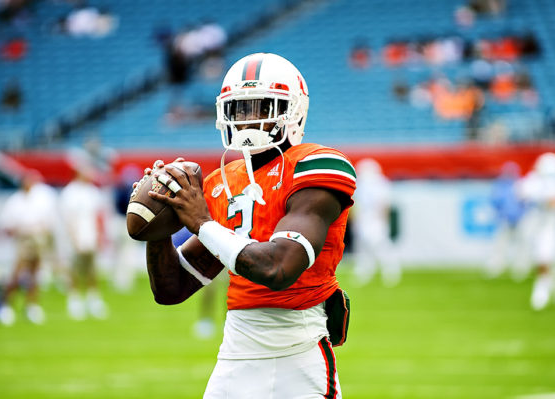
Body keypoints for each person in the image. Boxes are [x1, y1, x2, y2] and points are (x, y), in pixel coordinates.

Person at [141, 53, 355, 398]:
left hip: (298, 350)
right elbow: (171, 289)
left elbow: (279, 267)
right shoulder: (222, 181)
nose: (248, 119)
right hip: (237, 351)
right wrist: (160, 221)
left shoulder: (316, 164)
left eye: (262, 106)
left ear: (294, 110)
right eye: (240, 109)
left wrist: (202, 223)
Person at [0, 170, 51, 325]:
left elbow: (47, 220)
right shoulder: (15, 201)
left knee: (35, 274)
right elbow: (7, 224)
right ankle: (6, 305)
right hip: (23, 239)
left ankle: (31, 305)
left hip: (38, 238)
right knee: (17, 273)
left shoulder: (39, 200)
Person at [518, 152, 555, 311]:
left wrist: (541, 198)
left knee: (544, 255)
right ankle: (554, 276)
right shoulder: (533, 180)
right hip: (534, 223)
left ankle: (541, 290)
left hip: (550, 224)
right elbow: (520, 193)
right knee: (536, 256)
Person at [61, 164, 109, 320]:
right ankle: (74, 300)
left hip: (91, 236)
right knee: (74, 269)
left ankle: (93, 299)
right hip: (76, 237)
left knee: (92, 269)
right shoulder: (70, 192)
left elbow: (98, 215)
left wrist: (101, 235)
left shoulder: (93, 192)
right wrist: (74, 238)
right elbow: (68, 218)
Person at [351, 158, 401, 287]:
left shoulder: (380, 184)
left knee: (380, 246)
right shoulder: (361, 184)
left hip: (374, 220)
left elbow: (384, 205)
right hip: (364, 219)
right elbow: (355, 203)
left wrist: (381, 221)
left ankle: (390, 272)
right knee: (363, 248)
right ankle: (363, 273)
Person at [485, 161, 528, 280]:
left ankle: (521, 269)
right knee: (500, 245)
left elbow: (527, 203)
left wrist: (522, 215)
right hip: (505, 220)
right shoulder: (500, 185)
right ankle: (495, 268)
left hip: (520, 220)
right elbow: (495, 202)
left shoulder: (521, 184)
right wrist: (501, 214)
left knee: (521, 245)